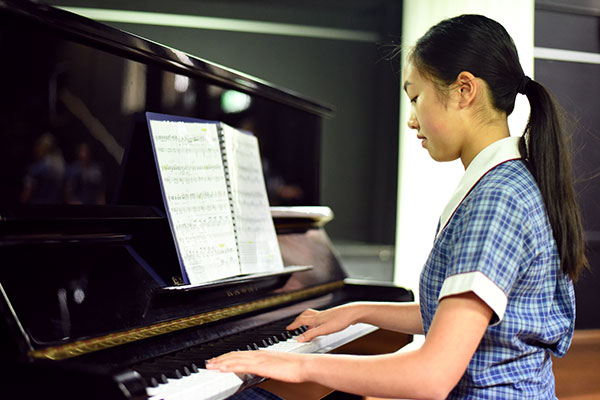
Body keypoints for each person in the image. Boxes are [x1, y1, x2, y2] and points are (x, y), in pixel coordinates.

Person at [207, 14, 588, 399]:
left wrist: (297, 364)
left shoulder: (496, 201)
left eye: (416, 98)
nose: (410, 119)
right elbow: (461, 319)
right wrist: (358, 310)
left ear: (464, 90)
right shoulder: (512, 181)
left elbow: (431, 378)